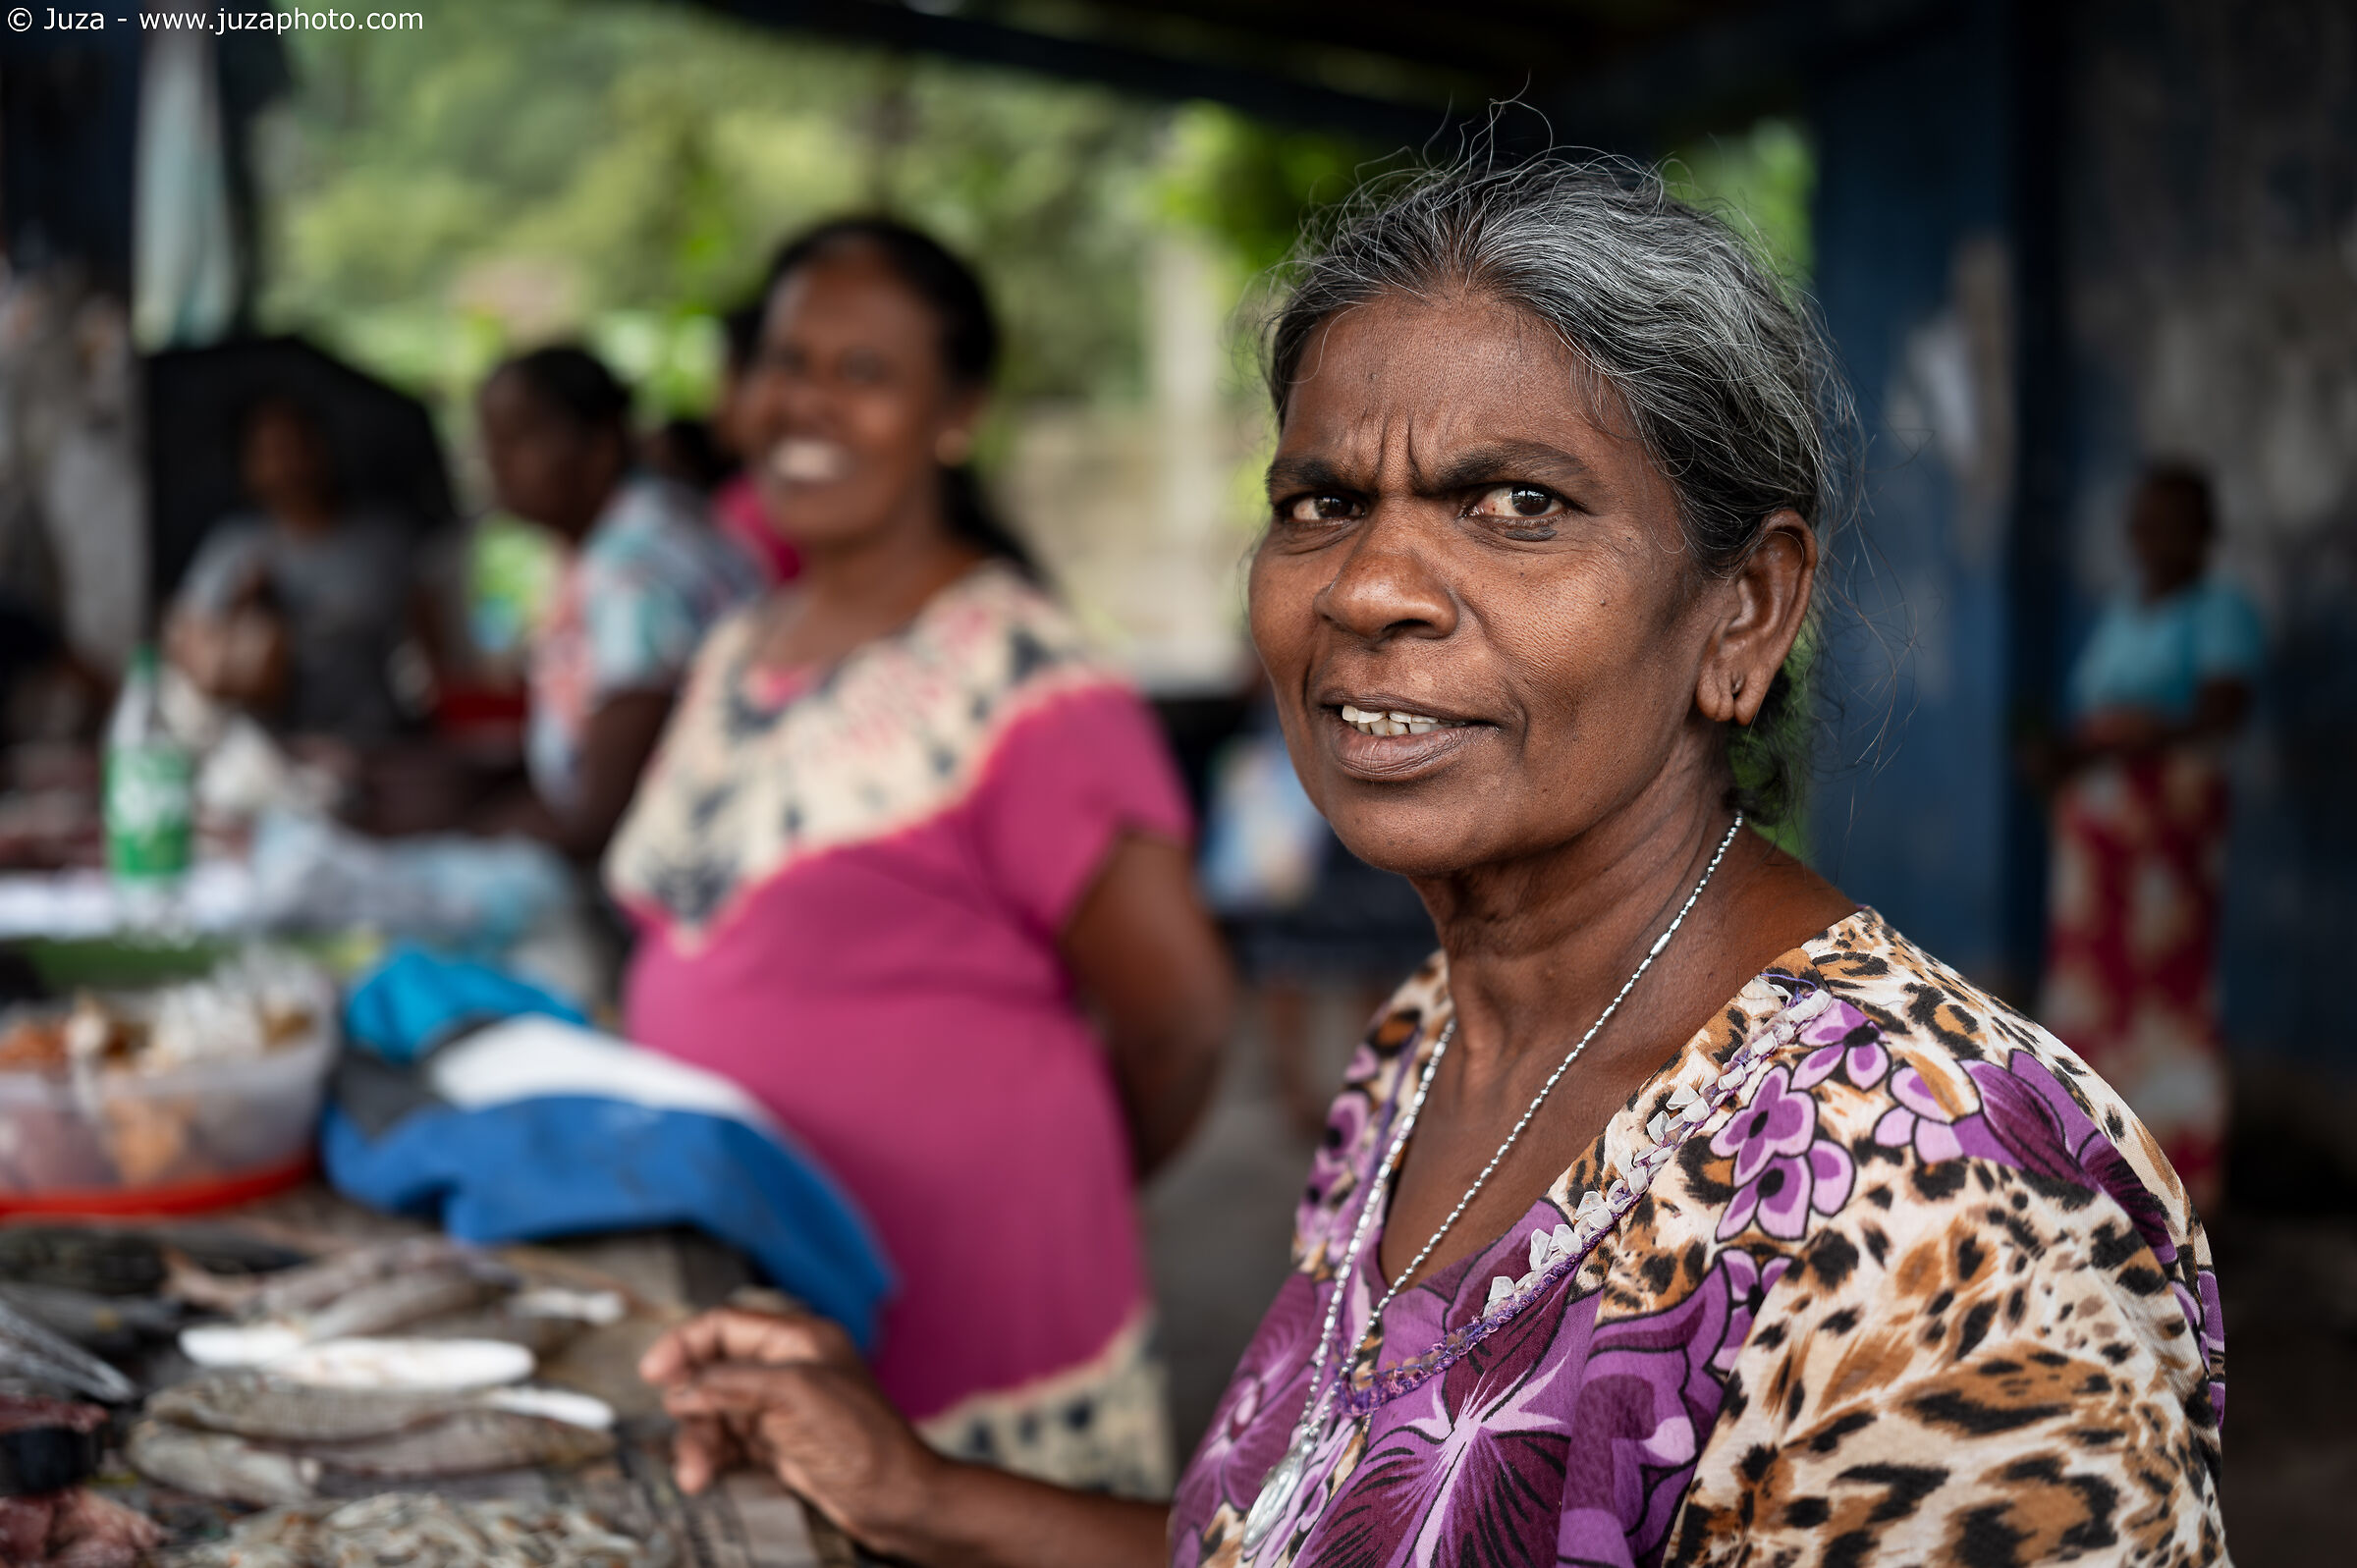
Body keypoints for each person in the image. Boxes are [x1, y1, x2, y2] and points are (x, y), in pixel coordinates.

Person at [636, 164, 2229, 1567]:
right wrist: (922, 1495)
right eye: (1321, 501)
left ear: (1743, 612)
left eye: (1519, 504)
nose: (1375, 582)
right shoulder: (1428, 1039)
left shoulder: (1954, 1191)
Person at [604, 219, 1234, 1495]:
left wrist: (1012, 1187)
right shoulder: (740, 647)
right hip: (760, 1299)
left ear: (956, 414)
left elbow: (1181, 1023)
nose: (806, 403)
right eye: (787, 360)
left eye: (864, 371)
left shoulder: (1027, 681)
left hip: (977, 1324)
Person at [2038, 462, 2261, 1215]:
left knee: (2167, 998)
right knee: (2094, 995)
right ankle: (2101, 1165)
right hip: (2100, 849)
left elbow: (2222, 711)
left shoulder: (2219, 611)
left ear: (2204, 532)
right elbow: (2097, 717)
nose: (2149, 536)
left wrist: (2107, 748)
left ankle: (2181, 1177)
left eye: (2167, 520)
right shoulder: (2126, 611)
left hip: (2164, 846)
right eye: (2141, 519)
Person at [475, 345, 761, 859]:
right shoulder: (627, 529)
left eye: (517, 439)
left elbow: (598, 821)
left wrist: (461, 836)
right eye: (489, 442)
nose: (494, 463)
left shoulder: (633, 572)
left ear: (600, 445)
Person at [169, 395, 427, 742]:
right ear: (248, 466)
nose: (288, 465)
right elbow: (189, 643)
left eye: (298, 446)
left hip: (376, 743)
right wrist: (244, 606)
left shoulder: (385, 542)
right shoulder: (234, 548)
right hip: (267, 757)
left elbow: (429, 648)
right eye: (270, 452)